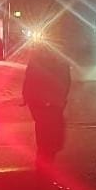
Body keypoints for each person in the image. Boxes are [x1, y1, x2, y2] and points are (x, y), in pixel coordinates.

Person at [22, 45, 71, 174]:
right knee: (50, 136)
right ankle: (45, 166)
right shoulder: (60, 62)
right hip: (50, 104)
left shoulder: (38, 60)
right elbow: (65, 82)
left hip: (43, 104)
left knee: (45, 134)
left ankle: (44, 165)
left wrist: (27, 97)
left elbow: (29, 80)